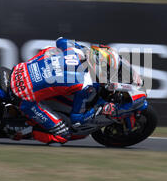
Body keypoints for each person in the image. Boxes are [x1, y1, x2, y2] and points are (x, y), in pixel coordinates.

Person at [9, 38, 141, 145]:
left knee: (50, 52)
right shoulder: (86, 84)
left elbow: (61, 40)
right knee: (63, 133)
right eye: (110, 72)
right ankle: (23, 131)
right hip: (23, 96)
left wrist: (79, 47)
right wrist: (101, 110)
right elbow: (77, 121)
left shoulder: (75, 52)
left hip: (19, 69)